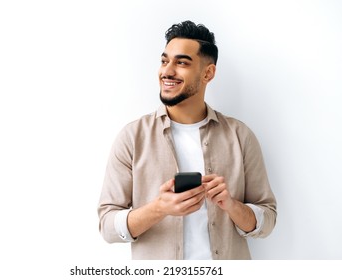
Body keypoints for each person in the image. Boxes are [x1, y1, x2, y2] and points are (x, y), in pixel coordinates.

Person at [97, 20, 277, 260]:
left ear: (208, 73)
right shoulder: (132, 137)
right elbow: (107, 226)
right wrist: (160, 208)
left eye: (181, 62)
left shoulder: (240, 136)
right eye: (164, 61)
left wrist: (232, 205)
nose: (167, 71)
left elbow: (268, 219)